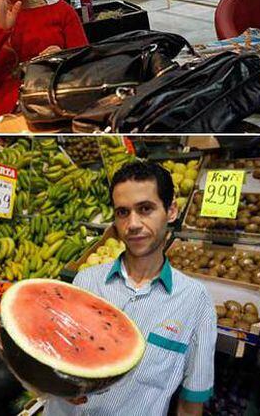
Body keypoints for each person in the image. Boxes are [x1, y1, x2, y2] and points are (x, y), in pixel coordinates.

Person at [45, 161, 217, 416]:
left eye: (145, 209)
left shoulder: (196, 301)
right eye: (123, 212)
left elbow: (191, 403)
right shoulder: (86, 282)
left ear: (171, 211)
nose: (133, 223)